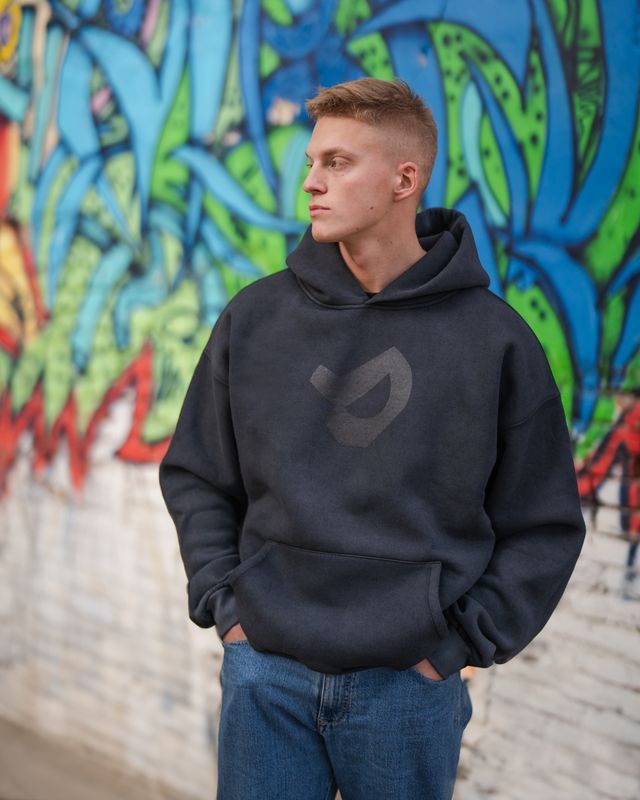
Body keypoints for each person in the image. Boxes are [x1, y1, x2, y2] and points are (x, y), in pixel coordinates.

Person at [158, 77, 586, 800]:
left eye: (337, 163)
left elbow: (542, 524)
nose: (311, 182)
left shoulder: (494, 341)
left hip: (405, 690)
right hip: (266, 672)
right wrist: (229, 610)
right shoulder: (255, 319)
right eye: (312, 162)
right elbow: (198, 475)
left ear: (403, 180)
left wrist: (455, 645)